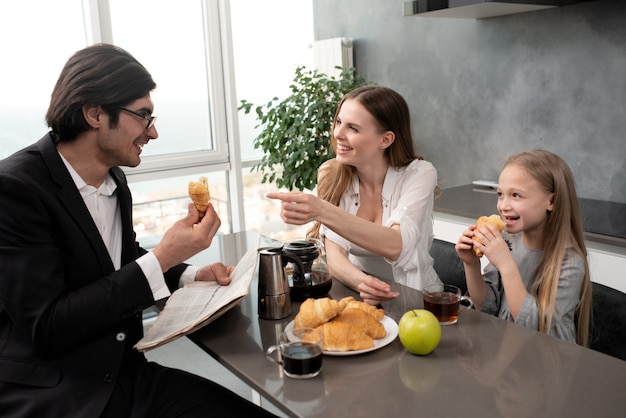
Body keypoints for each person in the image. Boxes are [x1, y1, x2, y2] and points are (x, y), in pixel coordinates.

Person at [0, 44, 276, 417]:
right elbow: (49, 326)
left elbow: (123, 260)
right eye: (143, 116)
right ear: (94, 113)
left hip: (126, 375)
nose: (154, 132)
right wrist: (166, 255)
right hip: (58, 392)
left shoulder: (114, 181)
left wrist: (189, 274)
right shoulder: (16, 188)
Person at [268, 86, 441, 305]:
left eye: (353, 128)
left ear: (385, 140)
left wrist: (321, 210)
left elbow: (397, 245)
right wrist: (363, 282)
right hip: (361, 297)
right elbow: (335, 254)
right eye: (339, 122)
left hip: (420, 302)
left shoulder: (420, 174)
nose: (338, 133)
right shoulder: (331, 174)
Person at [455, 150, 591, 346]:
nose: (503, 205)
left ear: (551, 201)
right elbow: (486, 306)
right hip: (505, 352)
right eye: (500, 194)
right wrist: (471, 264)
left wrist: (506, 264)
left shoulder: (570, 263)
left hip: (548, 361)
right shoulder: (509, 242)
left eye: (516, 195)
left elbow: (535, 329)